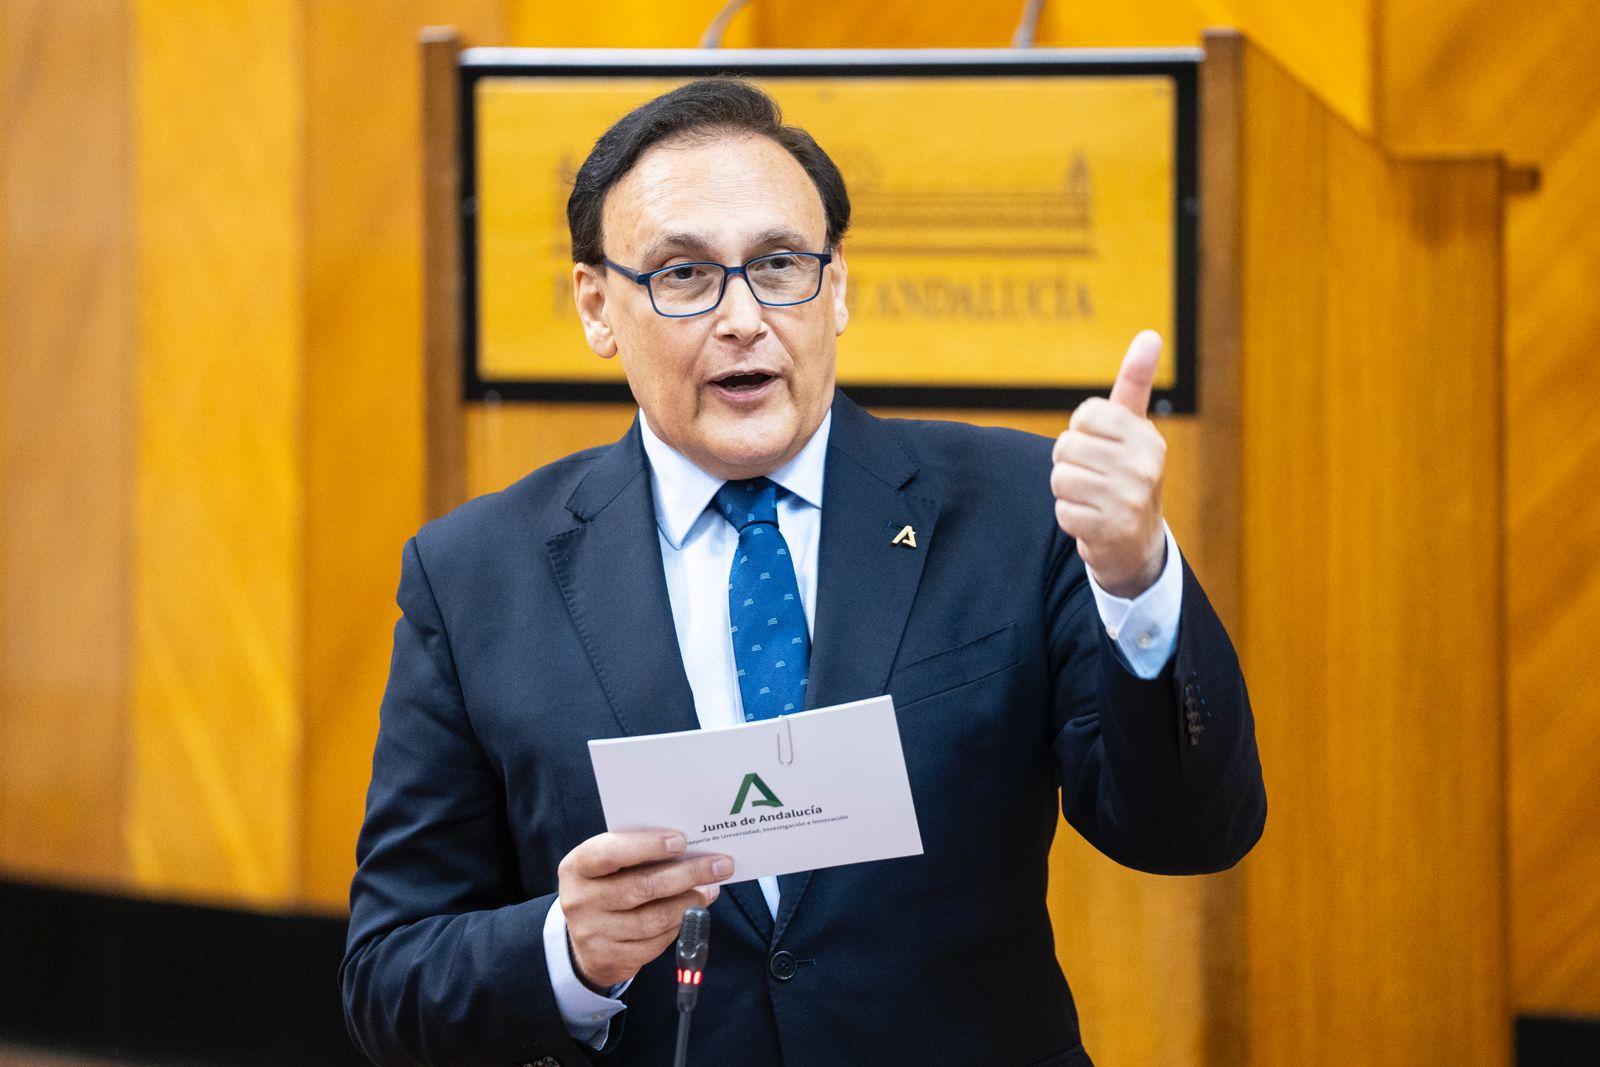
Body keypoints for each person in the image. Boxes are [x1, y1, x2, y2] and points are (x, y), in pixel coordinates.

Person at [340, 78, 1265, 1067]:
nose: (743, 317)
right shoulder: (474, 578)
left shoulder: (1015, 510)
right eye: (684, 274)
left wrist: (1134, 577)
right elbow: (390, 980)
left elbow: (1190, 831)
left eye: (780, 264)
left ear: (838, 287)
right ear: (597, 306)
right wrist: (567, 952)